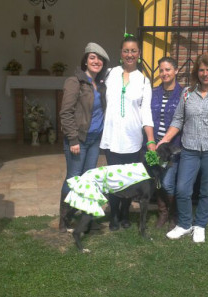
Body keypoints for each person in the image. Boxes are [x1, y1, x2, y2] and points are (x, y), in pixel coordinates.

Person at [157, 52, 208, 243]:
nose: (205, 73)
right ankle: (184, 224)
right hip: (190, 149)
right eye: (201, 70)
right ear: (196, 72)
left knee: (207, 191)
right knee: (183, 189)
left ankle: (199, 225)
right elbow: (178, 120)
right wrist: (165, 140)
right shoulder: (187, 94)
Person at [100, 34, 155, 231]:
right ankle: (114, 214)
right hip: (112, 138)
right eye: (126, 51)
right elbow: (90, 78)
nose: (129, 54)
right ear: (121, 53)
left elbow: (146, 111)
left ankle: (125, 214)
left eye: (133, 51)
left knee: (128, 180)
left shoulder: (143, 81)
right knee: (114, 180)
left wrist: (150, 140)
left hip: (132, 139)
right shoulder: (109, 73)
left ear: (139, 54)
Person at [58, 42, 109, 232]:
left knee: (88, 181)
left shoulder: (100, 84)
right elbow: (65, 112)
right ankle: (64, 219)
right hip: (78, 140)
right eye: (92, 57)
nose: (96, 61)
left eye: (100, 59)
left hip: (95, 139)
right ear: (85, 60)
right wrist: (72, 139)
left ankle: (85, 220)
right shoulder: (75, 81)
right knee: (73, 178)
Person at [151, 57, 182, 230]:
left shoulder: (183, 93)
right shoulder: (154, 92)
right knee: (158, 180)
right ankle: (162, 212)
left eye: (168, 69)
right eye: (161, 70)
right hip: (155, 146)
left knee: (169, 182)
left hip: (172, 147)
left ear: (176, 71)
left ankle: (173, 213)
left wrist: (166, 140)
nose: (164, 73)